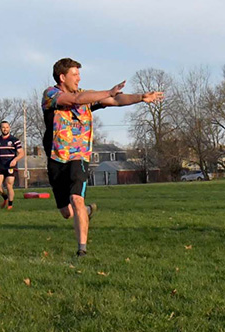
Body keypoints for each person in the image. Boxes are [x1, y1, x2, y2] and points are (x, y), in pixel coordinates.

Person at [43, 57, 164, 257]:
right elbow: (73, 100)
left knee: (77, 199)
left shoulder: (86, 96)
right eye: (75, 75)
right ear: (62, 77)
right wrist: (107, 91)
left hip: (79, 156)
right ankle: (87, 212)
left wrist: (141, 97)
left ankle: (82, 250)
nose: (79, 79)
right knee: (67, 212)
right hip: (57, 158)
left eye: (79, 74)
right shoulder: (51, 95)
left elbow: (116, 100)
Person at [0, 120, 24, 210]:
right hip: (1, 165)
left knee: (9, 185)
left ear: (9, 128)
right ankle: (5, 197)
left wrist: (15, 160)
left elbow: (21, 153)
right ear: (0, 129)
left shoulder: (14, 140)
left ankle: (10, 205)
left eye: (7, 127)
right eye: (3, 127)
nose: (5, 129)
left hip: (10, 165)